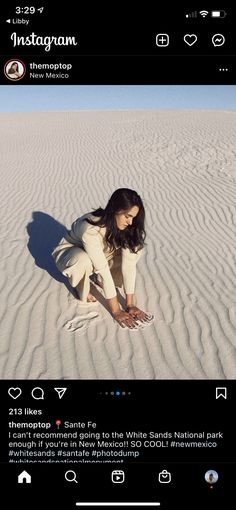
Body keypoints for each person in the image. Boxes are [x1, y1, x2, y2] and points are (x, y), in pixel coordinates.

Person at [52, 188, 151, 329]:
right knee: (83, 259)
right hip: (70, 253)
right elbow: (102, 268)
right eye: (127, 216)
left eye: (133, 217)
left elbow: (129, 265)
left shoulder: (127, 227)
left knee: (135, 249)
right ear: (116, 209)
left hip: (101, 253)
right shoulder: (91, 228)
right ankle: (82, 288)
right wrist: (116, 310)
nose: (130, 222)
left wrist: (130, 305)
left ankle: (100, 282)